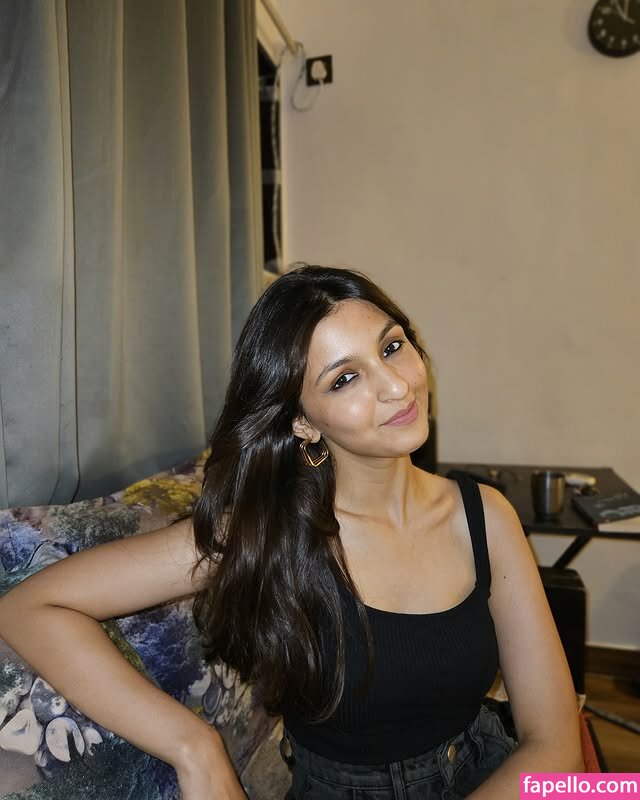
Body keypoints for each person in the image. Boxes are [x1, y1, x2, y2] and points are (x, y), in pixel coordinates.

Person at [0, 265, 583, 799]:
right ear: (302, 422)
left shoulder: (487, 516)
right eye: (345, 378)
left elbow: (555, 746)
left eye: (392, 347)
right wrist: (194, 747)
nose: (396, 386)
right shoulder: (266, 534)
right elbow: (30, 607)